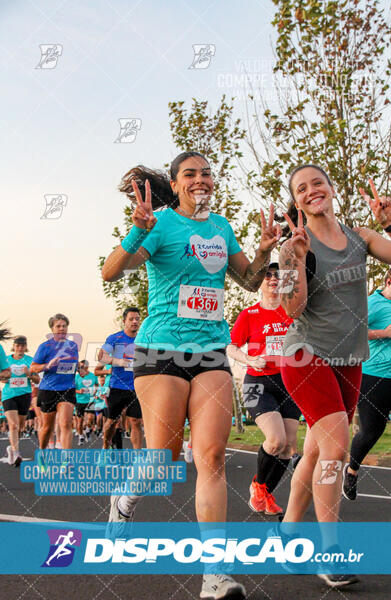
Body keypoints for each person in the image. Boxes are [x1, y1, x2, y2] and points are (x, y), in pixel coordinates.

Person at [101, 151, 282, 600]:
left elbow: (246, 279)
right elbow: (110, 271)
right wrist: (136, 230)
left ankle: (214, 575)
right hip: (160, 349)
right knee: (162, 457)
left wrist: (262, 251)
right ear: (176, 184)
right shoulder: (160, 223)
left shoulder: (221, 226)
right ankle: (124, 500)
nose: (200, 179)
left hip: (210, 353)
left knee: (212, 457)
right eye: (190, 174)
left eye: (206, 172)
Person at [278, 166, 391, 587]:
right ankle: (329, 552)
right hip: (304, 356)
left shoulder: (360, 237)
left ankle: (289, 532)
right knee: (335, 447)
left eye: (317, 183)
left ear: (330, 189)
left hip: (348, 359)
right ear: (296, 201)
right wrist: (295, 258)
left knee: (314, 452)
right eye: (302, 189)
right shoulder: (294, 245)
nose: (312, 191)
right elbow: (292, 310)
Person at [227, 263, 300, 516]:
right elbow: (231, 347)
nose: (272, 279)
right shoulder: (249, 314)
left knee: (290, 447)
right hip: (257, 383)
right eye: (267, 275)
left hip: (289, 383)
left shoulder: (292, 311)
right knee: (276, 440)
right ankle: (258, 485)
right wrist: (249, 359)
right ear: (260, 282)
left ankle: (265, 491)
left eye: (277, 276)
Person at [343, 266, 391, 500]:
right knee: (372, 431)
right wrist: (384, 333)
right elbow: (351, 331)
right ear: (387, 281)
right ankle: (352, 471)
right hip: (373, 378)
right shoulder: (372, 304)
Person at [95, 307, 143, 450]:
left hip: (136, 387)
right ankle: (105, 446)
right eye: (131, 319)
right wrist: (118, 361)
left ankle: (137, 457)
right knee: (112, 421)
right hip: (117, 386)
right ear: (124, 321)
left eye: (137, 319)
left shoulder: (143, 339)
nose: (135, 322)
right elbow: (102, 356)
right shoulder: (115, 338)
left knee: (135, 421)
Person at [31, 313, 79, 450]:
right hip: (49, 389)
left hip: (67, 388)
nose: (61, 329)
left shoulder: (73, 346)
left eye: (64, 326)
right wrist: (47, 365)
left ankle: (66, 459)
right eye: (58, 326)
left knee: (65, 423)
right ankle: (43, 452)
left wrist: (79, 368)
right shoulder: (45, 347)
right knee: (47, 428)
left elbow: (71, 365)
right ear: (52, 329)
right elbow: (33, 368)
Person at [2, 336, 39, 466]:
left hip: (24, 395)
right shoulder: (6, 360)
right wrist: (4, 378)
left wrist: (29, 374)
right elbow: (2, 377)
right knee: (13, 425)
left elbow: (38, 380)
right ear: (14, 346)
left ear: (25, 347)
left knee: (20, 427)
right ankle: (17, 453)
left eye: (22, 345)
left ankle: (11, 449)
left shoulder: (30, 360)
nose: (20, 347)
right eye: (17, 345)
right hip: (9, 395)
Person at [75, 360, 98, 445]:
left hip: (90, 400)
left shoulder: (93, 376)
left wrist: (95, 390)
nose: (80, 368)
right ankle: (81, 436)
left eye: (82, 367)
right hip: (79, 400)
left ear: (87, 367)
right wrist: (78, 391)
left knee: (90, 419)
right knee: (80, 421)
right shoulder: (77, 377)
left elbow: (97, 385)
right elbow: (72, 389)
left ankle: (87, 430)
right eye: (79, 367)